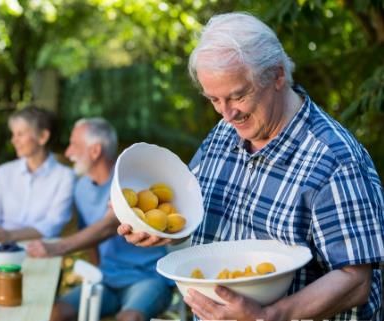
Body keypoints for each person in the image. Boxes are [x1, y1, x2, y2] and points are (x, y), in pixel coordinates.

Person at [118, 12, 384, 321]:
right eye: (214, 100)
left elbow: (355, 280)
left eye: (238, 95)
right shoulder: (224, 132)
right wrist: (161, 230)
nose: (227, 114)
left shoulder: (335, 159)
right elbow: (193, 214)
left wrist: (268, 316)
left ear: (277, 75)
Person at [27, 118, 172, 321]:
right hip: (107, 280)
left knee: (127, 318)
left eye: (74, 145)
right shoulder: (81, 188)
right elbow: (91, 240)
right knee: (54, 313)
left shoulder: (129, 182)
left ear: (95, 151)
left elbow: (108, 227)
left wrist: (55, 248)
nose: (68, 153)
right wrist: (98, 273)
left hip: (147, 278)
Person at [0, 106, 74, 242]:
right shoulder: (3, 172)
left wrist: (10, 235)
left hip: (44, 252)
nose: (14, 140)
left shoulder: (65, 176)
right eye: (13, 134)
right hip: (2, 249)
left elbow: (53, 225)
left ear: (43, 137)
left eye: (20, 134)